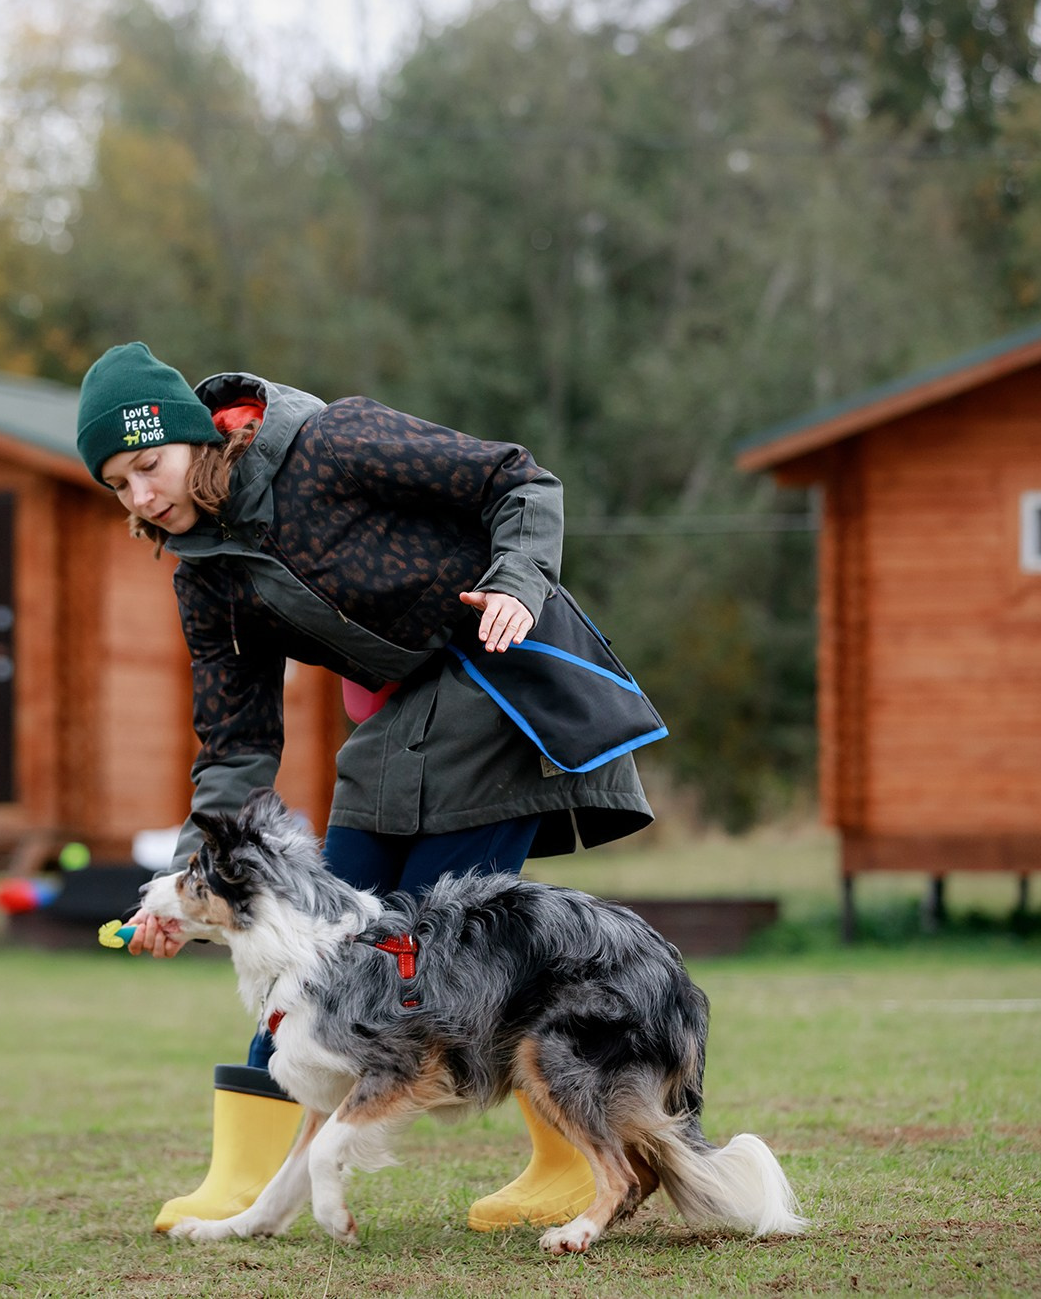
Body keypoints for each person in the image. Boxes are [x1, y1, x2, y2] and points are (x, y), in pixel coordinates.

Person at [72, 342, 655, 1233]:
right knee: (310, 946)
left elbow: (518, 479)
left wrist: (515, 581)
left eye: (149, 465)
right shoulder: (207, 575)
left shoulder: (335, 444)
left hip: (505, 684)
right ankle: (252, 1178)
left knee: (439, 952)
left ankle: (578, 1161)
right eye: (118, 484)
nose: (142, 498)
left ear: (197, 440)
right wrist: (184, 887)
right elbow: (236, 747)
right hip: (400, 721)